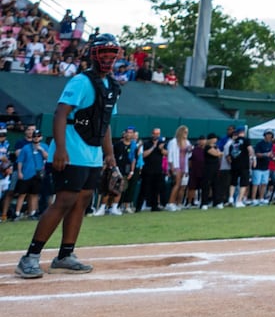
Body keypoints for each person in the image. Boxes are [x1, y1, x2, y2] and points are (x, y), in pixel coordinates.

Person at [15, 33, 122, 278]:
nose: (108, 57)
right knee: (64, 200)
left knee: (82, 202)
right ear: (93, 55)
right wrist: (60, 149)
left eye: (112, 53)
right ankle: (30, 257)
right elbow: (61, 114)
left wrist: (109, 155)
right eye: (103, 52)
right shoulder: (81, 81)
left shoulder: (112, 86)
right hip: (71, 151)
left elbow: (104, 123)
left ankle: (65, 255)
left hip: (93, 154)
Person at [138, 128, 167, 212]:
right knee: (144, 189)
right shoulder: (146, 143)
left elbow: (166, 153)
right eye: (155, 133)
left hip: (158, 170)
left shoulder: (162, 143)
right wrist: (153, 147)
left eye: (158, 134)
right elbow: (143, 155)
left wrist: (161, 149)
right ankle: (138, 207)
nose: (156, 135)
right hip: (147, 170)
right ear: (152, 134)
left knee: (156, 189)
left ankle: (154, 206)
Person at [165, 125, 192, 210]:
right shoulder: (173, 142)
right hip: (176, 165)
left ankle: (176, 203)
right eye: (185, 132)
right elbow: (170, 155)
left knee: (181, 185)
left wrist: (190, 150)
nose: (186, 134)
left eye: (187, 132)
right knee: (177, 184)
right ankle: (170, 203)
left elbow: (189, 156)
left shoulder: (187, 142)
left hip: (184, 166)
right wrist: (171, 167)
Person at [251, 130, 275, 204]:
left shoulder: (270, 144)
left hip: (266, 167)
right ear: (265, 135)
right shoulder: (259, 144)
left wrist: (272, 156)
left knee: (264, 183)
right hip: (258, 167)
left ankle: (261, 198)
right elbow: (257, 154)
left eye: (270, 135)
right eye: (268, 134)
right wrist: (266, 154)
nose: (269, 136)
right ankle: (253, 199)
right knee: (256, 183)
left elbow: (270, 154)